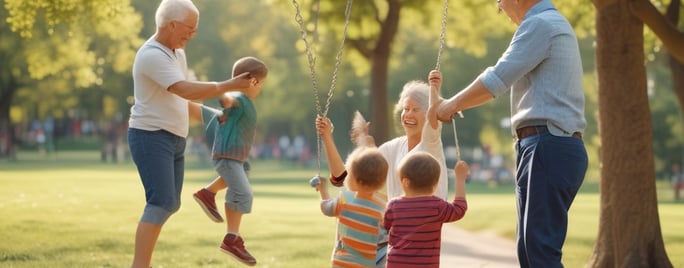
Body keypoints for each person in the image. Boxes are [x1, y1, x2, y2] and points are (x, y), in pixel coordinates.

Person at [434, 0, 588, 267]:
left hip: (548, 144)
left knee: (539, 251)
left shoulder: (541, 24)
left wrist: (450, 105)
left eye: (500, 3)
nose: (500, 9)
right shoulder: (544, 23)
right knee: (529, 251)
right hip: (542, 144)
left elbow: (497, 79)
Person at [127, 1, 254, 267]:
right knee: (160, 203)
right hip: (150, 136)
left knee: (170, 204)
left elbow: (181, 102)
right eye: (190, 29)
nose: (193, 34)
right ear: (171, 24)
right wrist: (228, 86)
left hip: (174, 137)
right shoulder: (152, 54)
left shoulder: (177, 53)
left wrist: (217, 116)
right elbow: (184, 89)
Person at [315, 72, 450, 267]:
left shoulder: (430, 145)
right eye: (406, 109)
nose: (409, 114)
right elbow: (346, 177)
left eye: (415, 109)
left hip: (420, 233)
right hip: (395, 235)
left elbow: (434, 119)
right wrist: (327, 137)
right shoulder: (393, 147)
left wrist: (434, 91)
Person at [189, 56, 268, 266]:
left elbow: (222, 112)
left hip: (237, 159)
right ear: (253, 82)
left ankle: (208, 193)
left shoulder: (245, 102)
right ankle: (231, 239)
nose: (261, 88)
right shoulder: (239, 98)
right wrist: (221, 90)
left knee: (244, 175)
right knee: (244, 193)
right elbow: (226, 101)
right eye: (261, 84)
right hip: (228, 158)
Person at [384, 152, 469, 268]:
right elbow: (459, 209)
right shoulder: (437, 206)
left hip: (396, 264)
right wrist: (460, 179)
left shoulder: (393, 205)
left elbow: (385, 227)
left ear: (405, 182)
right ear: (435, 183)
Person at [313, 146, 388, 267]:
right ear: (382, 183)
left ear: (354, 179)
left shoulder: (344, 200)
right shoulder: (382, 209)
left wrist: (323, 189)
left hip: (341, 263)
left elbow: (326, 208)